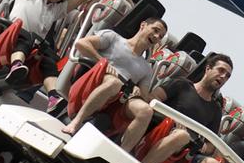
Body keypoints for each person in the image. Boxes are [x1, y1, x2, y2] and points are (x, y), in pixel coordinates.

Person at [62, 17, 167, 151]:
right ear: (143, 25)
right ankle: (76, 122)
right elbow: (81, 44)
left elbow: (144, 96)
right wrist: (103, 62)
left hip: (118, 101)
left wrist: (137, 91)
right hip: (94, 84)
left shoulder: (147, 68)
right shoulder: (113, 38)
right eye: (155, 30)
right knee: (114, 83)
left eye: (160, 36)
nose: (157, 37)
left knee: (146, 111)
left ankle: (122, 152)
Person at [136, 54, 233, 163]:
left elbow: (211, 144)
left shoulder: (216, 109)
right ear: (208, 68)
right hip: (162, 133)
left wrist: (204, 147)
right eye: (221, 70)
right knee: (182, 136)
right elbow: (153, 97)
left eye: (227, 76)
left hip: (186, 152)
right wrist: (173, 119)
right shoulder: (182, 84)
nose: (223, 77)